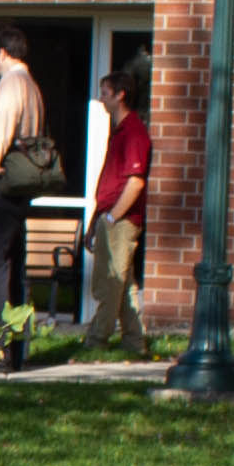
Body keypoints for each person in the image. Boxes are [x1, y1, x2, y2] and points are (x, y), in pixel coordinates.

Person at [0, 28, 53, 360]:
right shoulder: (33, 87)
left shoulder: (10, 85)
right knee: (15, 267)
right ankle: (16, 351)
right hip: (22, 186)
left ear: (2, 52)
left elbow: (0, 137)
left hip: (2, 184)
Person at [80, 65, 154, 352]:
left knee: (109, 282)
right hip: (110, 217)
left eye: (105, 93)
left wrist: (112, 218)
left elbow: (135, 183)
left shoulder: (134, 133)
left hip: (121, 220)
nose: (101, 99)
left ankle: (96, 338)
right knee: (124, 285)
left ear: (120, 95)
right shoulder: (119, 132)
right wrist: (94, 224)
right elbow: (110, 185)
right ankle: (135, 341)